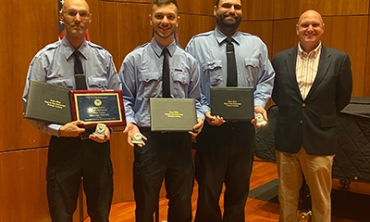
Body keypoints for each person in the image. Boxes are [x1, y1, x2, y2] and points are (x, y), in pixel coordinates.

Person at [22, 0, 120, 221]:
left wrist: (108, 130)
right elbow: (30, 105)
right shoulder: (44, 59)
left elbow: (116, 101)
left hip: (98, 147)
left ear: (89, 19)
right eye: (72, 13)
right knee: (61, 214)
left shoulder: (103, 58)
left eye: (83, 14)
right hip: (63, 149)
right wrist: (58, 129)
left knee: (101, 214)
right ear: (61, 17)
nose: (78, 19)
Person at [185, 0, 275, 221]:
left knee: (238, 194)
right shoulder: (197, 44)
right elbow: (189, 84)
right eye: (226, 5)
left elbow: (266, 79)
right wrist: (204, 110)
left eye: (237, 6)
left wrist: (258, 103)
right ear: (214, 10)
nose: (232, 11)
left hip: (244, 131)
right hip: (211, 132)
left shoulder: (256, 44)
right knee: (208, 192)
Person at [118, 0, 204, 221]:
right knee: (145, 206)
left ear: (177, 20)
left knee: (182, 203)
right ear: (151, 19)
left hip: (181, 141)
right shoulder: (134, 59)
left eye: (170, 17)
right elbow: (124, 98)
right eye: (159, 16)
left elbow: (197, 100)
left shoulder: (190, 61)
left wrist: (200, 117)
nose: (164, 22)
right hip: (148, 140)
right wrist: (130, 124)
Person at [271, 10, 353, 222]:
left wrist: (317, 115)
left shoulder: (339, 59)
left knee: (321, 198)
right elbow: (277, 94)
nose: (310, 29)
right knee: (286, 197)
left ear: (322, 28)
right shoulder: (280, 59)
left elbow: (342, 97)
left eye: (315, 25)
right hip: (287, 138)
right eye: (305, 25)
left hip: (320, 139)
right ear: (297, 28)